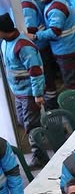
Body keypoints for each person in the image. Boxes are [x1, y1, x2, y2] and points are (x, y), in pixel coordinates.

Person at [0, 15, 44, 162]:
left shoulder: (23, 46)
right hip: (19, 92)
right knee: (23, 120)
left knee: (31, 124)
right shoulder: (6, 43)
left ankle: (39, 155)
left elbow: (36, 71)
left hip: (29, 93)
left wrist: (37, 94)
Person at [36, 0, 75, 96]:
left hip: (67, 51)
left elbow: (54, 31)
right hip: (70, 47)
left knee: (72, 85)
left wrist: (35, 36)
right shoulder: (55, 1)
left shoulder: (55, 8)